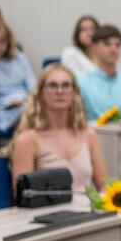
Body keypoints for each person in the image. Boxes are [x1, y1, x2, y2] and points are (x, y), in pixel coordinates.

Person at [10, 64, 108, 192]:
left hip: (88, 208)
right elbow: (22, 194)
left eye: (66, 85)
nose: (60, 91)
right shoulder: (27, 140)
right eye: (53, 85)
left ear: (74, 93)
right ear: (41, 94)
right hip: (49, 210)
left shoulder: (88, 134)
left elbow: (105, 186)